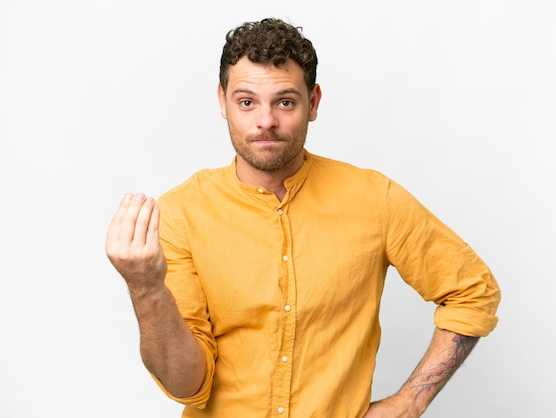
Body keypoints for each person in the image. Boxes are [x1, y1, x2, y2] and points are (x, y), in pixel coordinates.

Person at [105, 17, 501, 418]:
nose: (265, 122)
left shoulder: (374, 199)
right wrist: (146, 289)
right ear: (222, 102)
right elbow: (185, 385)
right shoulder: (182, 214)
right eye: (247, 102)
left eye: (285, 101)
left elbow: (473, 293)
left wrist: (410, 401)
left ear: (313, 103)